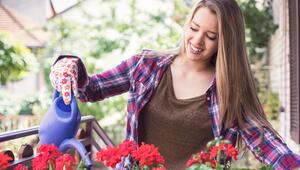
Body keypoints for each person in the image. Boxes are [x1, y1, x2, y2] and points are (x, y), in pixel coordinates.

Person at [50, 0, 300, 169]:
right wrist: (71, 66)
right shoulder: (144, 66)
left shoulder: (230, 91)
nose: (197, 41)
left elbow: (267, 144)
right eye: (194, 28)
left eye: (211, 37)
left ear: (225, 44)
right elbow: (91, 90)